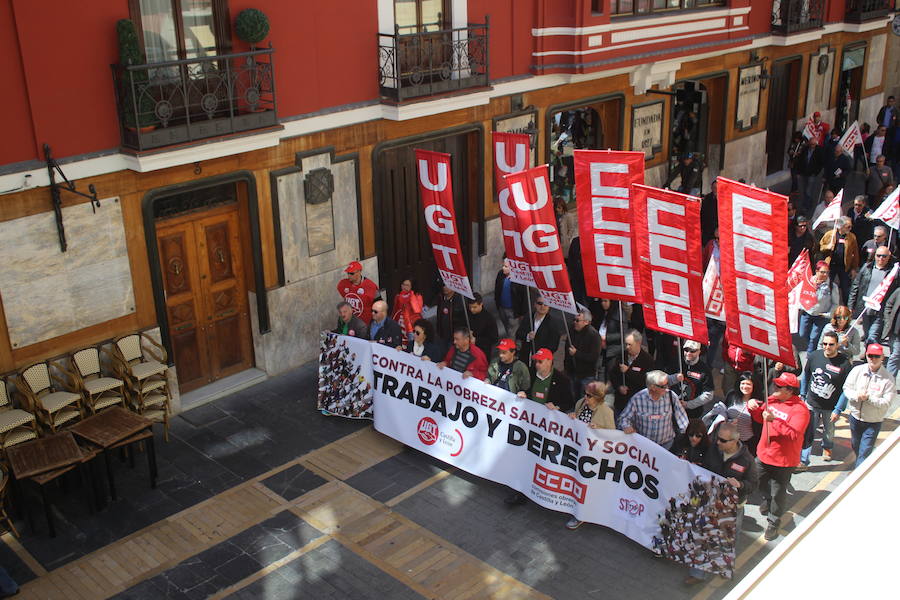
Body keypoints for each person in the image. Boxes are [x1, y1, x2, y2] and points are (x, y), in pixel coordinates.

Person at [683, 423, 758, 586]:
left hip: (732, 509)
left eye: (723, 441)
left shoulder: (747, 460)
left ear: (734, 441)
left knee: (728, 540)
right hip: (710, 501)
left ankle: (722, 565)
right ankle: (698, 573)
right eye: (718, 439)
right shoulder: (714, 450)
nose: (718, 443)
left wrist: (740, 485)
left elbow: (753, 484)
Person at [747, 373, 809, 541]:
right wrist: (753, 407)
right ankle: (767, 500)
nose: (774, 388)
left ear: (789, 391)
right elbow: (760, 418)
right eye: (775, 384)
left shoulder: (800, 410)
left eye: (779, 386)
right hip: (764, 453)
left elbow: (794, 435)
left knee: (778, 493)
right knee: (757, 481)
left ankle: (774, 521)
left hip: (783, 460)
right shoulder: (772, 400)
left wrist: (774, 421)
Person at [564, 380, 615, 530]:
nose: (586, 398)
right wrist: (571, 416)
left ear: (598, 398)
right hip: (578, 449)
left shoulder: (606, 412)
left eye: (589, 396)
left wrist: (599, 429)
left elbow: (612, 436)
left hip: (593, 456)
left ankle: (581, 515)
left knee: (586, 485)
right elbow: (575, 421)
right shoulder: (581, 403)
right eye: (585, 394)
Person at [798, 331, 852, 469]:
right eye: (825, 344)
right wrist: (803, 395)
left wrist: (838, 409)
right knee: (809, 431)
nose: (827, 347)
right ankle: (804, 460)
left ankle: (827, 446)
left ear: (837, 345)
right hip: (812, 402)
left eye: (831, 344)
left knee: (829, 430)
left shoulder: (844, 364)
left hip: (830, 406)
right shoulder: (814, 356)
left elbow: (847, 389)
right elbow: (806, 376)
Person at [837, 343, 895, 468]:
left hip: (873, 422)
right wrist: (857, 396)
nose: (873, 359)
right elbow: (847, 388)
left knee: (865, 452)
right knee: (856, 446)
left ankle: (858, 474)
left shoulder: (888, 379)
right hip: (855, 418)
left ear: (882, 357)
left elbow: (886, 403)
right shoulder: (858, 370)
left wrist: (869, 398)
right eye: (870, 356)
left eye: (876, 356)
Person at [618, 370, 689, 450]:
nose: (667, 388)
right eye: (663, 386)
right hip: (643, 446)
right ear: (653, 387)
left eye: (667, 384)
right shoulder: (637, 399)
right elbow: (623, 418)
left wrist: (684, 435)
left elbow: (682, 417)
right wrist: (626, 426)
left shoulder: (671, 396)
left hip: (666, 446)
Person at [704, 372, 760, 456]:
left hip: (746, 443)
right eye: (743, 383)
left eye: (748, 384)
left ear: (754, 386)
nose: (745, 386)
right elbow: (725, 411)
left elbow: (759, 426)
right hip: (727, 438)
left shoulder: (758, 403)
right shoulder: (732, 395)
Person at [848, 245, 895, 343]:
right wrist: (851, 305)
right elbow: (855, 286)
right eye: (878, 255)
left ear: (889, 257)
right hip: (866, 308)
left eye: (884, 256)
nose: (881, 258)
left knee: (873, 335)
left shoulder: (893, 272)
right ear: (875, 256)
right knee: (867, 334)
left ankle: (870, 355)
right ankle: (868, 354)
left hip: (880, 310)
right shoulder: (867, 267)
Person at [608, 330, 655, 418]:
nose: (627, 347)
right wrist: (618, 387)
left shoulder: (647, 360)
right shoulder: (622, 355)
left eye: (630, 344)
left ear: (638, 343)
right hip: (621, 402)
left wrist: (628, 371)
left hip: (637, 404)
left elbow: (645, 381)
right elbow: (613, 374)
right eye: (626, 344)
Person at [798, 261, 840, 353]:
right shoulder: (808, 282)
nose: (825, 274)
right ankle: (810, 348)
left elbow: (835, 303)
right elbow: (801, 295)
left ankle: (810, 356)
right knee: (802, 334)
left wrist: (828, 314)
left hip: (821, 316)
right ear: (816, 271)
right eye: (822, 272)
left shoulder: (832, 286)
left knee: (814, 338)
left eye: (827, 272)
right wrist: (800, 307)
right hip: (807, 313)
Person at [819, 216, 860, 303]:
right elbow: (821, 247)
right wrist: (828, 246)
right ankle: (826, 304)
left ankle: (847, 308)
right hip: (831, 265)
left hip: (844, 267)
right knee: (827, 285)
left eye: (851, 226)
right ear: (841, 226)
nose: (850, 228)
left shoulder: (852, 237)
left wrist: (854, 268)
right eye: (848, 226)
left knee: (845, 288)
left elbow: (855, 253)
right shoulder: (830, 234)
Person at [671, 340, 714, 419]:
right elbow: (665, 380)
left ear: (699, 352)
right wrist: (674, 378)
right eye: (686, 350)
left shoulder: (705, 369)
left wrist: (689, 404)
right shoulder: (676, 362)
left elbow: (709, 394)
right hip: (672, 408)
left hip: (692, 413)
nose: (688, 353)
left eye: (692, 351)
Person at [565, 308, 601, 399]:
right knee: (572, 396)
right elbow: (566, 348)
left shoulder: (594, 335)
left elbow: (593, 357)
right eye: (574, 320)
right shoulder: (572, 330)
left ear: (586, 322)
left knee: (584, 399)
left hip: (586, 375)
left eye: (577, 320)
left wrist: (577, 353)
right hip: (572, 371)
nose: (575, 322)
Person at [516, 296, 562, 364]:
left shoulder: (553, 324)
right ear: (535, 304)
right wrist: (528, 336)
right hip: (525, 357)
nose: (542, 306)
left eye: (546, 304)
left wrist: (540, 355)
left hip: (541, 361)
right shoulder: (528, 317)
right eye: (540, 303)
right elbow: (519, 333)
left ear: (549, 307)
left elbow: (553, 345)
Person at [337, 261, 380, 325]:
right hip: (350, 323)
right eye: (348, 273)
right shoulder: (343, 284)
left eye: (352, 273)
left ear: (359, 272)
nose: (349, 276)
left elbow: (380, 305)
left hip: (366, 324)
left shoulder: (370, 286)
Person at [494, 259, 527, 338]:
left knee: (512, 332)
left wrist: (522, 313)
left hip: (513, 311)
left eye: (506, 266)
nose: (503, 268)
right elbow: (497, 290)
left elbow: (523, 297)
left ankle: (511, 347)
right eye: (503, 266)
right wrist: (497, 304)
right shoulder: (500, 274)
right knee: (507, 327)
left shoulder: (519, 279)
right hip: (502, 308)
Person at [795, 136, 825, 215]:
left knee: (809, 190)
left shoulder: (819, 151)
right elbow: (800, 160)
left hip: (812, 174)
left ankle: (806, 206)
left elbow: (821, 163)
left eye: (813, 144)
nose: (812, 146)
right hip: (803, 172)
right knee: (803, 190)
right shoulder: (805, 149)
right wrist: (798, 172)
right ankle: (804, 203)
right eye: (811, 144)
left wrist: (815, 172)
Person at [466, 293, 499, 361]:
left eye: (474, 307)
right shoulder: (467, 313)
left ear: (481, 304)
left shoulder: (489, 319)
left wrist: (476, 340)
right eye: (470, 307)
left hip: (483, 351)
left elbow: (494, 339)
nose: (472, 310)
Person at [391, 278, 423, 348]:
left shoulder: (417, 296)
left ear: (412, 287)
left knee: (412, 347)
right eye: (403, 285)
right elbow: (394, 311)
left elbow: (417, 310)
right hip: (400, 325)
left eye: (407, 285)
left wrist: (411, 296)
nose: (404, 287)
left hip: (411, 326)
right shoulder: (398, 296)